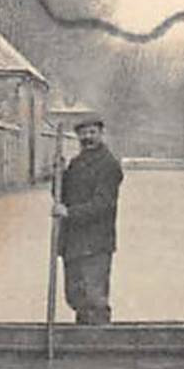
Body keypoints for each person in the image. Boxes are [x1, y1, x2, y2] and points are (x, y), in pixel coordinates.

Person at [51, 116, 125, 324]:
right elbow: (61, 197)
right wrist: (59, 175)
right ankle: (82, 340)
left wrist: (69, 213)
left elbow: (103, 205)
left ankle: (99, 344)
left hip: (95, 243)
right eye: (83, 133)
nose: (87, 137)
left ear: (101, 134)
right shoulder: (76, 163)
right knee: (76, 297)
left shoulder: (109, 165)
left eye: (92, 132)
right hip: (73, 242)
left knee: (95, 298)